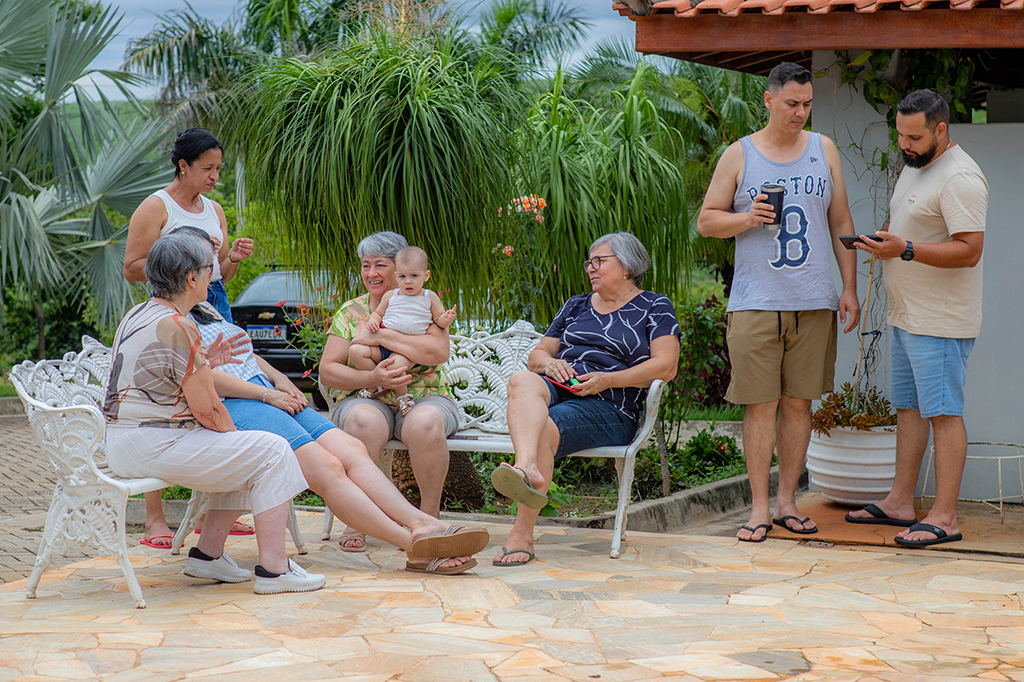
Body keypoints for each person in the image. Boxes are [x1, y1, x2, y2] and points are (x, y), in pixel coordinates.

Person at [102, 230, 326, 594]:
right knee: (271, 450)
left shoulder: (141, 312)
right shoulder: (180, 325)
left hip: (126, 440)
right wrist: (239, 438)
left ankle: (207, 555)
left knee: (246, 452)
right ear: (192, 277)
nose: (213, 275)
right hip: (152, 441)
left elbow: (163, 372)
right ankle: (275, 570)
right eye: (209, 269)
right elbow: (208, 412)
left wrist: (207, 361)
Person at [697, 61, 861, 543]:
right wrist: (747, 218)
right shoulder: (740, 154)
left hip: (814, 299)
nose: (800, 112)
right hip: (755, 301)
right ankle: (759, 508)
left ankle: (788, 502)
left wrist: (849, 287)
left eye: (807, 104)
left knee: (798, 404)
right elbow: (706, 221)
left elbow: (840, 221)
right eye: (792, 103)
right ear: (768, 100)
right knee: (760, 406)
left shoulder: (823, 149)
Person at [845, 90, 986, 548]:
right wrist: (888, 240)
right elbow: (915, 228)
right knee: (908, 409)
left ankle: (944, 517)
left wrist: (903, 249)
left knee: (943, 413)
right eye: (901, 135)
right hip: (908, 316)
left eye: (915, 137)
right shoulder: (916, 165)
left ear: (940, 129)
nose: (905, 145)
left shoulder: (960, 177)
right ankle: (900, 502)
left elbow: (970, 250)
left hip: (939, 321)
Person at [489, 232, 680, 566]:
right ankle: (526, 466)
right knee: (522, 379)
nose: (591, 268)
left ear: (627, 267)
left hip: (611, 404)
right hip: (561, 385)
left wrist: (608, 379)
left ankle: (521, 535)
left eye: (599, 261)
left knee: (543, 429)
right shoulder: (576, 305)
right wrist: (550, 364)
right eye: (589, 262)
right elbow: (537, 356)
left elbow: (666, 366)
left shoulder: (654, 306)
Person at [124, 128, 255, 548]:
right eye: (208, 168)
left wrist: (231, 258)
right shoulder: (156, 206)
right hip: (173, 305)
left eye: (219, 168)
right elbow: (132, 267)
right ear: (184, 166)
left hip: (214, 302)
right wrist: (182, 254)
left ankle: (216, 508)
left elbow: (221, 274)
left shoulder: (214, 209)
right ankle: (154, 520)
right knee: (167, 403)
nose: (215, 176)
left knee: (219, 393)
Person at [318, 232, 460, 552]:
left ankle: (429, 518)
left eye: (380, 265)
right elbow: (328, 371)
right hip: (368, 397)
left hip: (425, 396)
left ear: (400, 268)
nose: (371, 273)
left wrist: (382, 337)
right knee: (363, 422)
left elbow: (437, 353)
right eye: (365, 265)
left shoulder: (425, 304)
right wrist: (372, 376)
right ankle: (358, 519)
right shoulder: (351, 311)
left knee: (425, 423)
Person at [350, 245, 457, 415]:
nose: (408, 281)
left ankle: (402, 397)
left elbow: (438, 319)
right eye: (402, 276)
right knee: (356, 351)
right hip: (382, 347)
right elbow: (378, 313)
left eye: (414, 276)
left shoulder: (429, 297)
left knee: (395, 367)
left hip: (406, 350)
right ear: (396, 276)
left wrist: (447, 318)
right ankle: (374, 384)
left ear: (426, 275)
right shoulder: (391, 296)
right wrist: (373, 321)